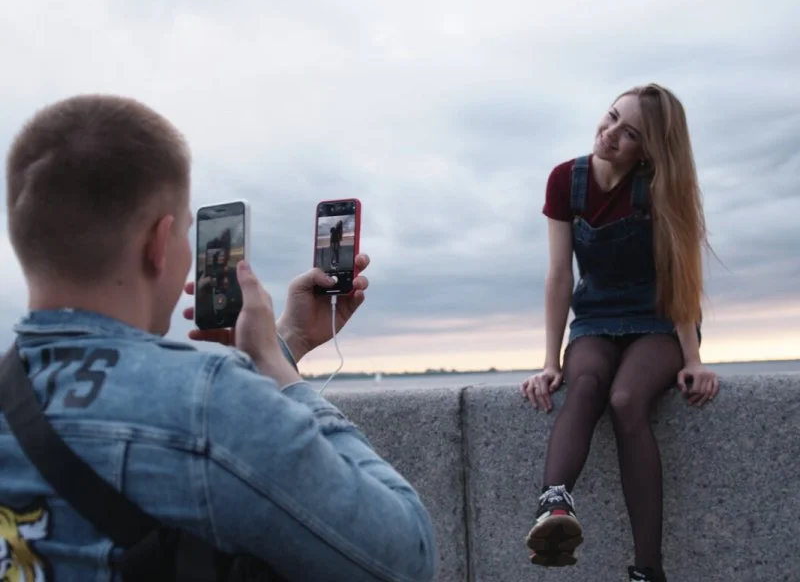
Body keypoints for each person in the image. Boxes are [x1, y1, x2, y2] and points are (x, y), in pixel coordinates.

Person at [0, 94, 436, 582]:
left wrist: (288, 337)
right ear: (157, 244)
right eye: (186, 233)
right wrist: (275, 368)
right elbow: (406, 554)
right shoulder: (205, 403)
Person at [519, 83, 720, 582]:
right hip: (595, 318)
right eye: (611, 117)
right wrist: (550, 361)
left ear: (648, 150)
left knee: (627, 399)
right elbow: (560, 276)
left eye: (629, 133)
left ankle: (648, 570)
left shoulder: (660, 188)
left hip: (658, 319)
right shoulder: (566, 181)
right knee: (585, 383)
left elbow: (679, 278)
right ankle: (554, 506)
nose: (609, 134)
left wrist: (692, 359)